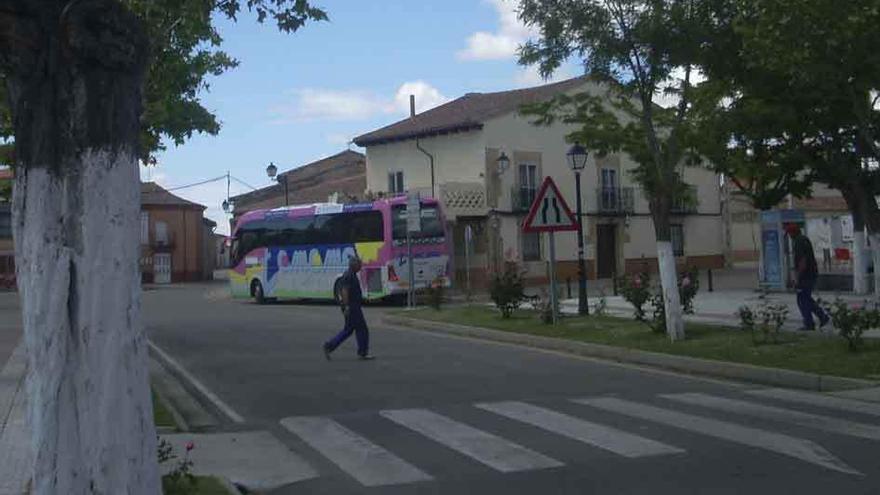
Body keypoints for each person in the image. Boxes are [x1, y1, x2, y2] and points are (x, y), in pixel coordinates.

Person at [323, 256, 375, 360]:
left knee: (348, 329)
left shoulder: (351, 275)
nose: (360, 266)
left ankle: (330, 345)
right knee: (362, 329)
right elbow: (344, 291)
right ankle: (362, 352)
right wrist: (347, 306)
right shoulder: (349, 275)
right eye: (359, 264)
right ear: (354, 265)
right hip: (352, 307)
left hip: (352, 306)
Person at [785, 223, 829, 331]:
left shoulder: (798, 242)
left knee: (802, 300)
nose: (789, 237)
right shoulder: (804, 239)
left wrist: (797, 278)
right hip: (811, 273)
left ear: (792, 233)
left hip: (805, 275)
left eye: (789, 234)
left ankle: (809, 324)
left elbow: (802, 262)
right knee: (806, 298)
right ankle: (822, 317)